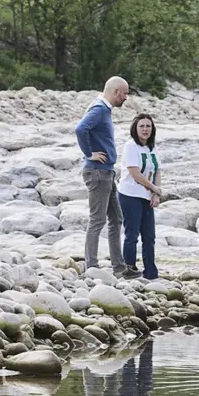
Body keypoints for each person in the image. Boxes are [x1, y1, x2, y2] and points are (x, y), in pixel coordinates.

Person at [75, 76, 132, 276]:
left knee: (116, 219)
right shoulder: (99, 108)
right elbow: (81, 129)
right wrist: (89, 153)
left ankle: (119, 267)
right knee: (97, 220)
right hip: (98, 173)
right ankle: (91, 267)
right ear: (116, 92)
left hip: (106, 172)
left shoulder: (103, 109)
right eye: (125, 93)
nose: (126, 97)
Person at [119, 113, 162, 280]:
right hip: (130, 195)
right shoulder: (131, 146)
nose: (145, 129)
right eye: (142, 126)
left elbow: (157, 170)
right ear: (135, 129)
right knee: (132, 235)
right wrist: (154, 188)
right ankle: (129, 270)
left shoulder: (152, 147)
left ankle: (151, 273)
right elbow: (135, 173)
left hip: (147, 196)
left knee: (149, 236)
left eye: (148, 126)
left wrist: (155, 194)